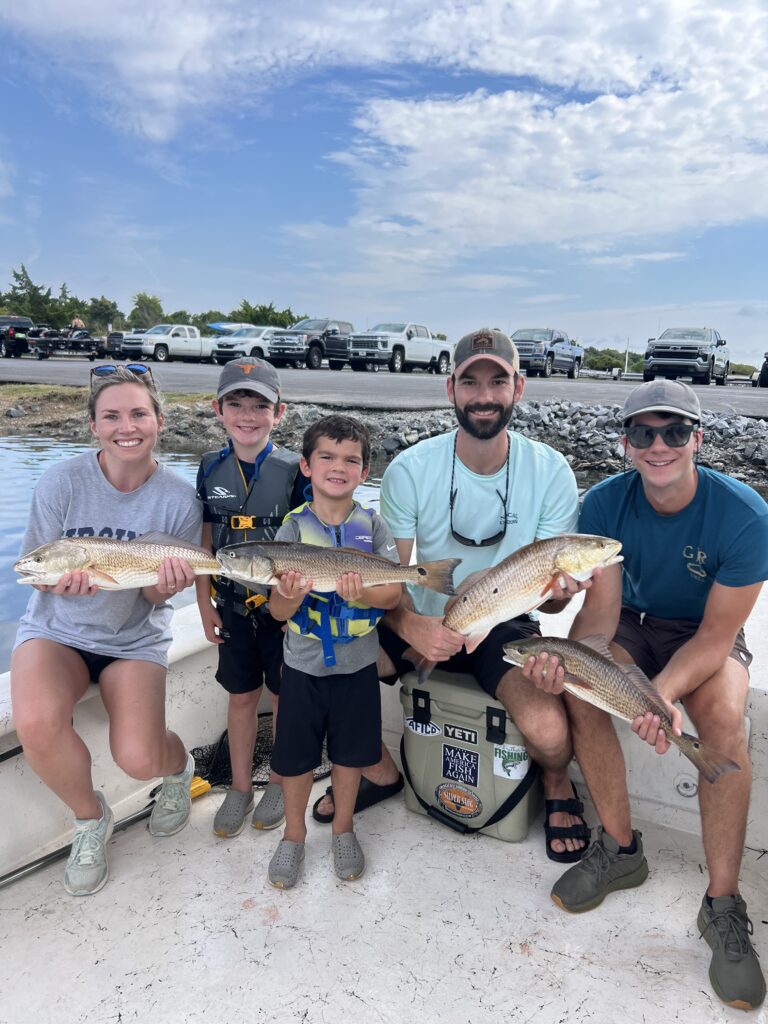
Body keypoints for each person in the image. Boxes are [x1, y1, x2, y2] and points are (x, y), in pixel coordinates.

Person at [523, 379, 768, 1011]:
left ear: (698, 439)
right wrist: (587, 670)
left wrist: (654, 698)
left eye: (674, 432)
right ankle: (620, 847)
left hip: (701, 631)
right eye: (643, 433)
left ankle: (721, 904)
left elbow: (716, 638)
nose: (659, 445)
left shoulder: (745, 516)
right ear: (626, 444)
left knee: (722, 719)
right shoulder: (604, 505)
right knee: (581, 685)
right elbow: (599, 624)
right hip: (631, 619)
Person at [315, 327, 594, 861]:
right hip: (415, 615)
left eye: (498, 381)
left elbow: (552, 602)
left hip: (504, 623)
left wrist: (560, 596)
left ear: (520, 388)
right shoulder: (411, 468)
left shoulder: (552, 471)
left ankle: (556, 783)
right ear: (451, 389)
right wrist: (411, 625)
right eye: (471, 381)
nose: (484, 395)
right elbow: (388, 577)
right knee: (303, 664)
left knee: (550, 733)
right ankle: (378, 769)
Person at [11, 364, 202, 896]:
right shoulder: (60, 482)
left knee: (140, 758)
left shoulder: (180, 501)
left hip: (132, 641)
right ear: (93, 425)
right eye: (112, 415)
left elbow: (149, 596)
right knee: (37, 723)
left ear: (159, 421)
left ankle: (180, 772)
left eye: (139, 413)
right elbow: (36, 568)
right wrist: (56, 587)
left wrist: (167, 586)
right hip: (58, 633)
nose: (127, 426)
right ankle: (90, 818)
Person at [266, 414, 402, 889]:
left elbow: (392, 595)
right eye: (326, 456)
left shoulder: (374, 526)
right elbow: (278, 612)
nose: (337, 466)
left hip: (358, 664)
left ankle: (343, 827)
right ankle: (294, 834)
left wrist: (359, 593)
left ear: (365, 472)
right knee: (296, 758)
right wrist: (292, 592)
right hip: (302, 666)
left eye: (351, 460)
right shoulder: (290, 530)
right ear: (306, 465)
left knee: (350, 756)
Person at [195, 357, 305, 838]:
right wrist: (203, 603)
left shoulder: (293, 469)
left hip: (282, 613)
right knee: (241, 698)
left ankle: (278, 780)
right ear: (218, 410)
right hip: (231, 609)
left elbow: (310, 537)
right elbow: (204, 543)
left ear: (278, 413)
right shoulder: (208, 466)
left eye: (259, 405)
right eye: (236, 404)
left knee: (282, 697)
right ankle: (240, 786)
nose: (247, 414)